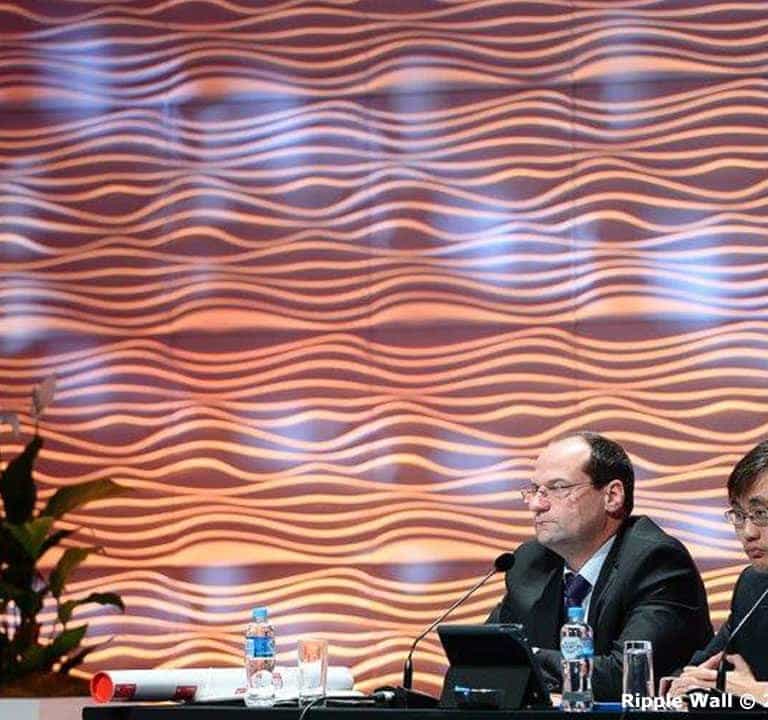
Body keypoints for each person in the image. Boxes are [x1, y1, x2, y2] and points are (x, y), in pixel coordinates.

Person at [487, 432, 713, 700]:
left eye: (557, 488)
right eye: (535, 490)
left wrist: (529, 658)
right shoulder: (529, 562)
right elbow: (487, 657)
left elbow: (628, 675)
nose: (536, 505)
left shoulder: (657, 561)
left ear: (612, 496)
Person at [669, 440, 768, 700]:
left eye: (761, 513)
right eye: (739, 515)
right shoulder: (753, 585)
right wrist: (687, 683)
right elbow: (701, 668)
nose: (748, 533)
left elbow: (745, 689)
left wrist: (759, 693)